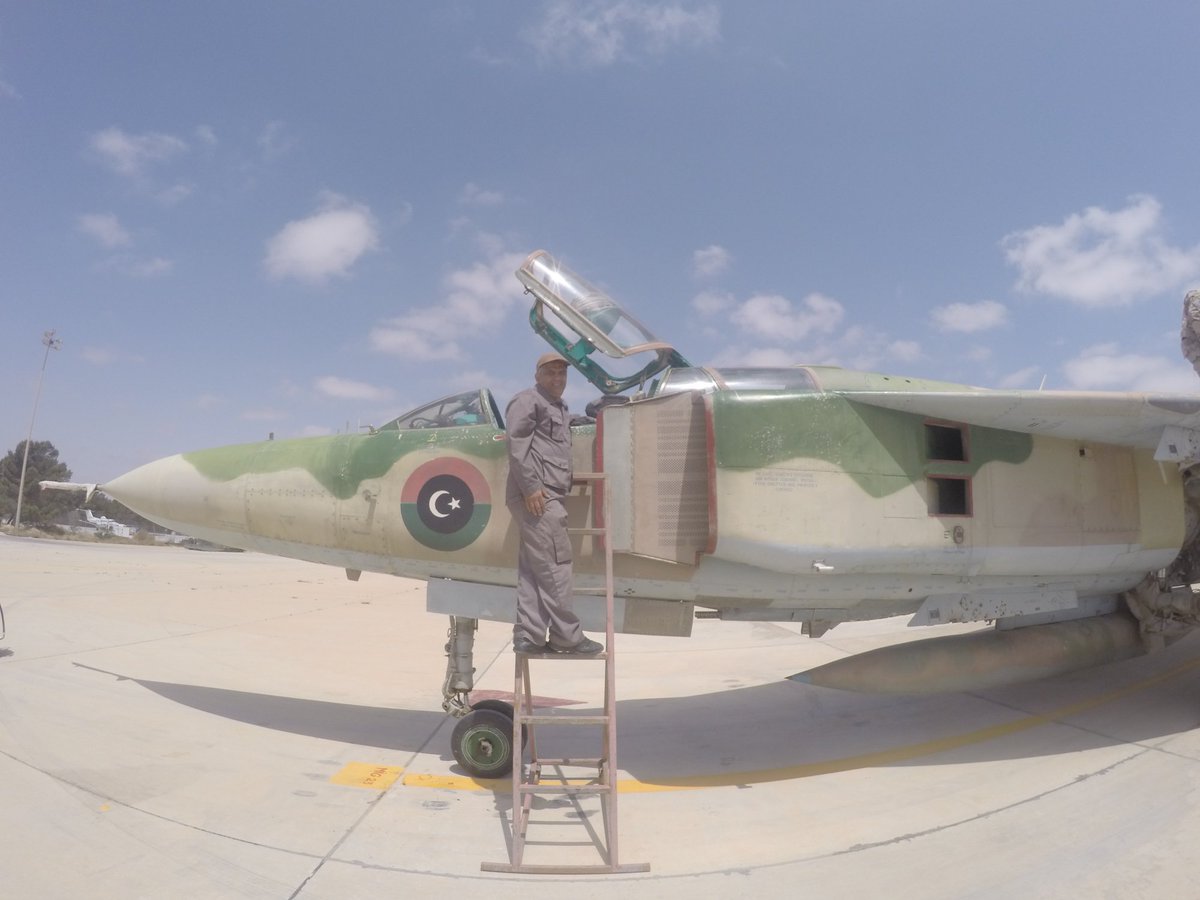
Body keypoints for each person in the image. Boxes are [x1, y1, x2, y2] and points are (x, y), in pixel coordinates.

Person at [505, 352, 603, 655]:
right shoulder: (527, 400)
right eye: (550, 373)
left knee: (535, 569)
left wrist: (579, 419)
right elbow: (517, 443)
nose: (557, 378)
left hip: (545, 493)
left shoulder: (558, 407)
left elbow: (550, 435)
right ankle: (566, 636)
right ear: (537, 375)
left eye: (562, 373)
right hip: (538, 495)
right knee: (556, 564)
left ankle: (530, 636)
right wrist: (532, 488)